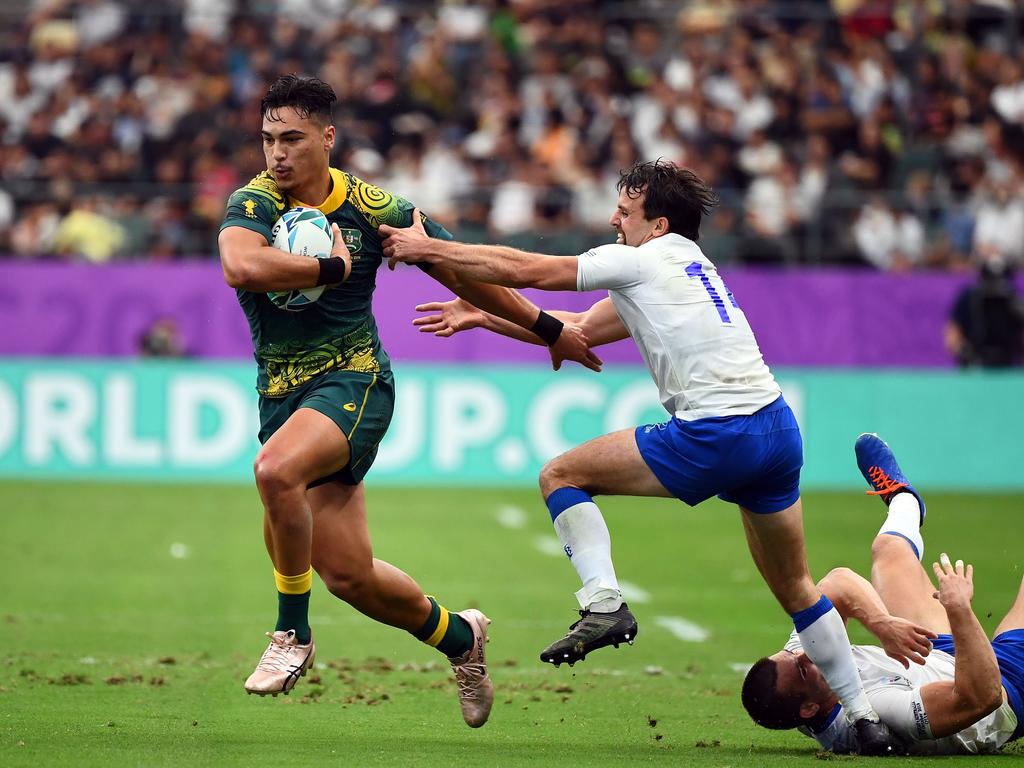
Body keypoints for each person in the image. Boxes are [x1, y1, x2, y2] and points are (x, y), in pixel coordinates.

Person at [381, 158, 906, 754]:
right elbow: (573, 329)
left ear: (656, 224)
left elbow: (532, 269)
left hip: (716, 436)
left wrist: (432, 251)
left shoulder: (639, 258)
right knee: (797, 588)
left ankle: (604, 603)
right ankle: (863, 718)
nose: (613, 220)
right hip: (777, 432)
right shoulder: (687, 267)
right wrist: (484, 315)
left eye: (625, 212)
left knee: (560, 475)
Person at [217, 74, 598, 728]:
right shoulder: (253, 203)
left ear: (327, 138)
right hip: (281, 395)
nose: (276, 155)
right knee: (349, 574)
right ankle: (461, 638)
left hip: (355, 381)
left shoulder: (374, 209)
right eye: (267, 140)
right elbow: (241, 267)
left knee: (275, 471)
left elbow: (467, 273)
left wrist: (548, 328)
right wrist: (329, 268)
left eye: (292, 140)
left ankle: (292, 635)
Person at [742, 433, 1024, 755]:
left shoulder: (805, 665)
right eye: (803, 667)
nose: (804, 652)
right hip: (1005, 687)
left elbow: (839, 582)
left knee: (889, 551)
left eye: (792, 654)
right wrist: (959, 609)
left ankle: (903, 496)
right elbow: (979, 697)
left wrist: (882, 625)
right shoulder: (878, 712)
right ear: (808, 710)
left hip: (932, 655)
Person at [945, 256, 1024, 368]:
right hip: (975, 363)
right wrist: (964, 351)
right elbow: (952, 332)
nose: (996, 287)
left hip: (1009, 363)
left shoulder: (1013, 299)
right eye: (991, 280)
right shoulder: (970, 298)